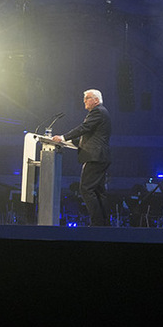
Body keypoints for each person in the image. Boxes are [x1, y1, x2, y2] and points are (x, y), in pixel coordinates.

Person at [53, 89, 111, 226]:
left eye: (87, 98)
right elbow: (88, 137)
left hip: (95, 157)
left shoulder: (98, 112)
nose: (84, 101)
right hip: (101, 156)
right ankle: (104, 223)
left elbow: (83, 128)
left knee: (86, 189)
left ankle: (97, 223)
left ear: (96, 100)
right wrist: (66, 141)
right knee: (98, 191)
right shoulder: (102, 112)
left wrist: (63, 137)